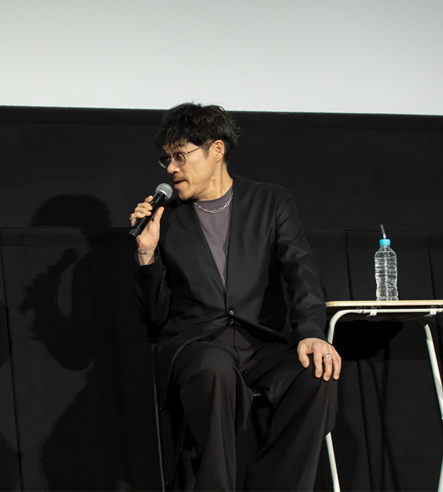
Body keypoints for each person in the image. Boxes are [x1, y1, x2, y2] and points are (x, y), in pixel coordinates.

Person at [131, 102, 339, 491]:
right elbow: (154, 316)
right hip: (197, 344)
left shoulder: (271, 201)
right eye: (166, 159)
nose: (171, 168)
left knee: (315, 373)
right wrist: (147, 255)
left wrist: (312, 333)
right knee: (214, 372)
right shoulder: (165, 218)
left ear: (216, 150)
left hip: (261, 343)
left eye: (180, 156)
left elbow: (301, 273)